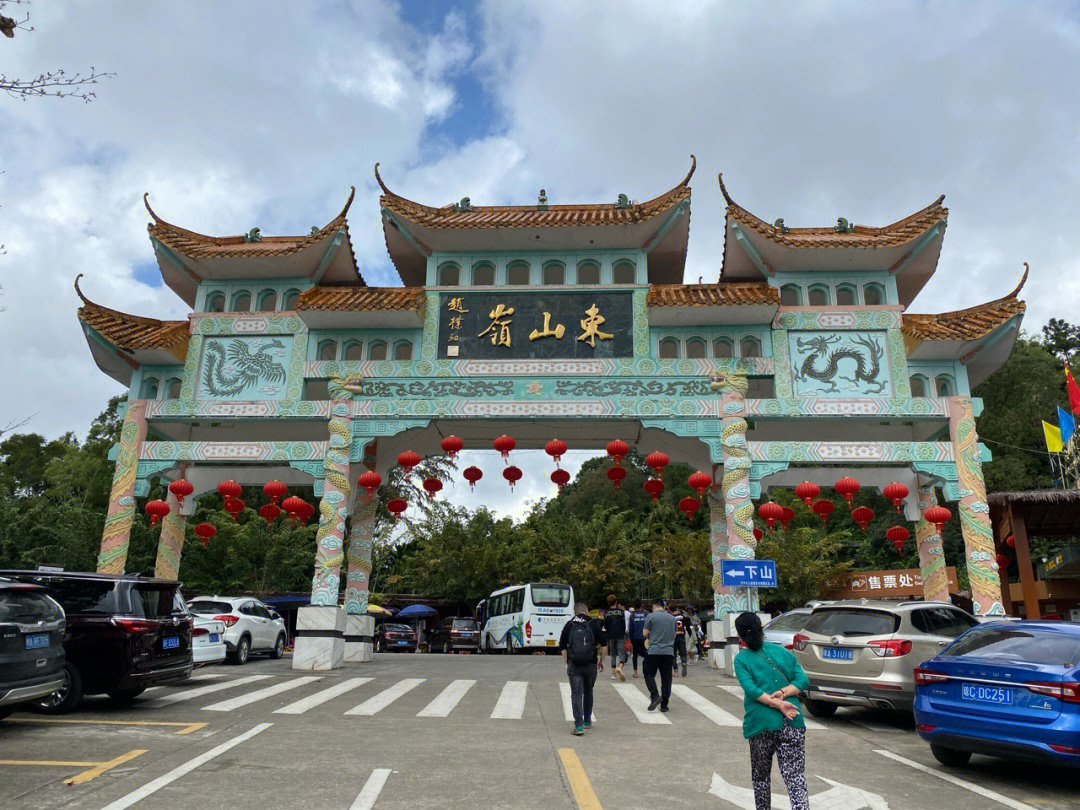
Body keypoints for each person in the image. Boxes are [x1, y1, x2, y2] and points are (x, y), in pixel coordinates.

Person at [733, 612, 810, 810]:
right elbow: (802, 681)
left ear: (740, 636)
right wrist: (784, 695)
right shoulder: (783, 653)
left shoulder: (742, 659)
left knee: (761, 778)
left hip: (761, 724)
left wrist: (776, 702)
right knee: (795, 778)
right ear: (762, 628)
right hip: (792, 721)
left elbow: (751, 690)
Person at [559, 601, 608, 736]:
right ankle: (587, 720)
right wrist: (602, 661)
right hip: (590, 664)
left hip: (574, 665)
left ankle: (578, 726)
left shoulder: (569, 625)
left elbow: (562, 646)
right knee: (588, 691)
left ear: (575, 612)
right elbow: (604, 644)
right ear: (586, 611)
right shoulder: (593, 624)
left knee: (576, 693)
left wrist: (567, 662)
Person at [642, 599, 677, 712]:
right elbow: (674, 635)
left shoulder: (650, 616)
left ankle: (655, 695)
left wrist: (653, 636)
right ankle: (664, 705)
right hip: (668, 652)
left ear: (654, 607)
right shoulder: (672, 618)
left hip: (654, 651)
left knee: (648, 674)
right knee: (666, 678)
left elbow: (645, 633)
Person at [602, 594, 627, 681]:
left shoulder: (606, 613)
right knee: (621, 653)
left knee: (613, 654)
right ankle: (620, 667)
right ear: (616, 602)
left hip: (611, 635)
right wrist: (623, 632)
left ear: (608, 603)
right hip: (619, 634)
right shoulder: (621, 612)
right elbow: (623, 625)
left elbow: (605, 626)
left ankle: (613, 673)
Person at [627, 598, 649, 679]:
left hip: (635, 637)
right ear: (641, 605)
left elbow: (631, 628)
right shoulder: (646, 614)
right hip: (644, 638)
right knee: (646, 655)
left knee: (635, 655)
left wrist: (631, 639)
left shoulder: (632, 615)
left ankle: (635, 672)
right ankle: (645, 670)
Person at [672, 604, 688, 678]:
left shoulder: (671, 617)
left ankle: (675, 671)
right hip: (681, 636)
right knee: (683, 653)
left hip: (673, 637)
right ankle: (684, 663)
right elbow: (687, 624)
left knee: (674, 654)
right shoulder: (682, 617)